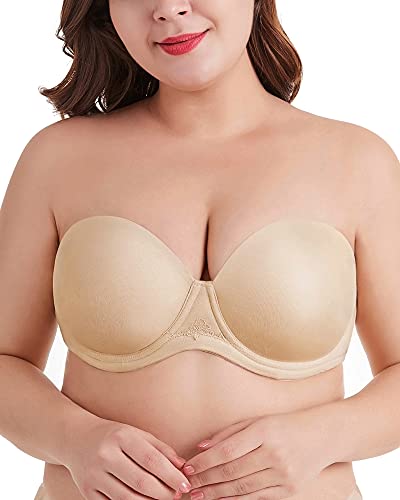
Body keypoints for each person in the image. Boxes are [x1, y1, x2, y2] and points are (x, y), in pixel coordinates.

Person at [0, 0, 399, 499]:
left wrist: (322, 437)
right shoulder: (57, 160)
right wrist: (74, 439)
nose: (168, 9)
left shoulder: (358, 162)